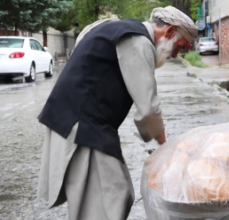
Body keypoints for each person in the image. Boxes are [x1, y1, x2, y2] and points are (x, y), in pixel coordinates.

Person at [36, 6, 197, 220]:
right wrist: (166, 147)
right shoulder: (138, 40)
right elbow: (147, 104)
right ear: (168, 32)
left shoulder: (116, 27)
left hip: (77, 120)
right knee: (110, 197)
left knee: (105, 197)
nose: (176, 54)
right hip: (82, 125)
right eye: (179, 46)